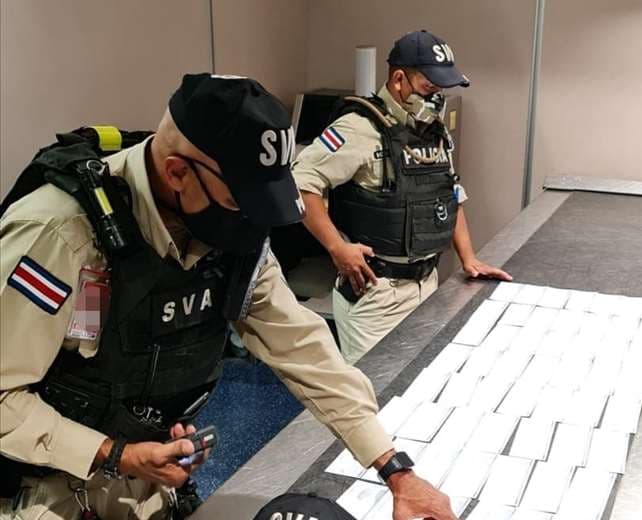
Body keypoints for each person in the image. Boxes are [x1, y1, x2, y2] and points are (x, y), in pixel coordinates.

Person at [0, 73, 455, 520]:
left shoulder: (229, 234)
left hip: (145, 479)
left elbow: (304, 349)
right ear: (178, 173)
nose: (251, 222)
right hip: (46, 489)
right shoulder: (59, 235)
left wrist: (395, 470)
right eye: (240, 201)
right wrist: (115, 453)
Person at [293, 30, 512, 364]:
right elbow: (300, 183)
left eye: (441, 89)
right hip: (377, 293)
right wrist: (336, 247)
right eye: (429, 87)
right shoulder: (359, 129)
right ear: (399, 79)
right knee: (375, 389)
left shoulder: (433, 131)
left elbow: (449, 192)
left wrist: (468, 258)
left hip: (427, 284)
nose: (436, 97)